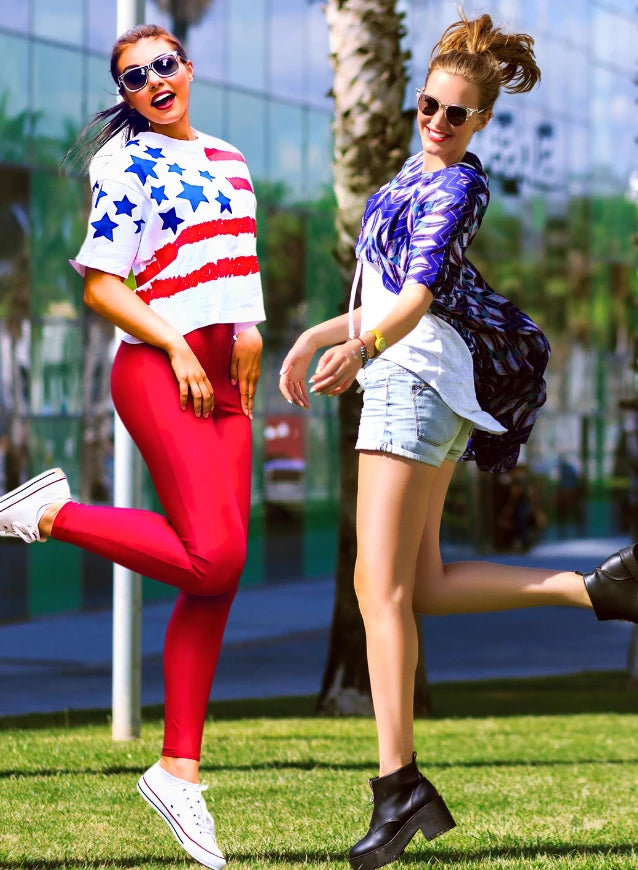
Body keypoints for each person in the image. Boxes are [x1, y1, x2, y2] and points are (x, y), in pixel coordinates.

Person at [279, 12, 638, 870]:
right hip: (417, 377)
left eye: (456, 114)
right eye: (429, 106)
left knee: (379, 589)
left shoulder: (455, 188)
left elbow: (415, 300)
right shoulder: (411, 172)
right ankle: (598, 591)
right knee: (423, 586)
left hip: (409, 379)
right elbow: (386, 291)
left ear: (481, 121)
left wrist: (359, 348)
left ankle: (397, 782)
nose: (437, 123)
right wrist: (314, 336)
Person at [0, 24, 265, 870]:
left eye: (164, 65)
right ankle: (54, 513)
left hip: (232, 380)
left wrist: (251, 327)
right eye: (134, 76)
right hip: (162, 368)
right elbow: (105, 282)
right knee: (214, 559)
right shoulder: (125, 167)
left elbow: (234, 265)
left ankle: (179, 771)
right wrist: (182, 346)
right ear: (125, 95)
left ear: (189, 68)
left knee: (217, 576)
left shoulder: (230, 157)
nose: (154, 80)